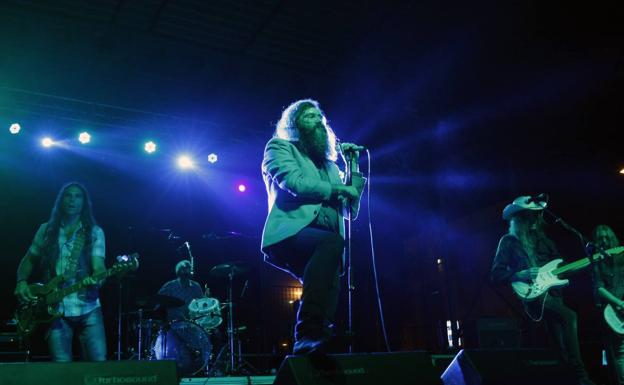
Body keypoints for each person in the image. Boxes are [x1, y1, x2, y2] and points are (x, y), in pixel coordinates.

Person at [260, 99, 366, 355]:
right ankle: (306, 332)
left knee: (328, 289)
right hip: (291, 233)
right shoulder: (280, 147)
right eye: (309, 117)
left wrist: (351, 164)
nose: (317, 121)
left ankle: (313, 349)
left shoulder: (330, 166)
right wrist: (340, 188)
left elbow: (349, 210)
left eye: (320, 117)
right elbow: (295, 183)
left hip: (327, 242)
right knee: (330, 244)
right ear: (295, 125)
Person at [490, 195, 595, 385]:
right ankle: (582, 378)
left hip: (554, 294)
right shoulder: (508, 241)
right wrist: (517, 274)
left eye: (536, 216)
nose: (535, 219)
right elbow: (496, 275)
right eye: (530, 216)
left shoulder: (544, 240)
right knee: (569, 317)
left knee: (559, 343)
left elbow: (558, 268)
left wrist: (585, 264)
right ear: (519, 218)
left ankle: (569, 379)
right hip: (532, 294)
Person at [14, 182, 107, 362]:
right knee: (61, 369)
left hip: (88, 307)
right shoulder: (46, 229)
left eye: (77, 196)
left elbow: (99, 267)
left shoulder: (94, 232)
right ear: (61, 201)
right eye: (68, 195)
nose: (72, 200)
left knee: (98, 365)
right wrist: (21, 281)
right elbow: (29, 259)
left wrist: (96, 280)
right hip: (55, 309)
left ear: (84, 203)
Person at [591, 224, 624, 384]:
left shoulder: (622, 256)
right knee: (616, 352)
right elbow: (599, 288)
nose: (604, 241)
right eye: (600, 238)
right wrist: (618, 303)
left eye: (607, 237)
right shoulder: (596, 261)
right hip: (609, 311)